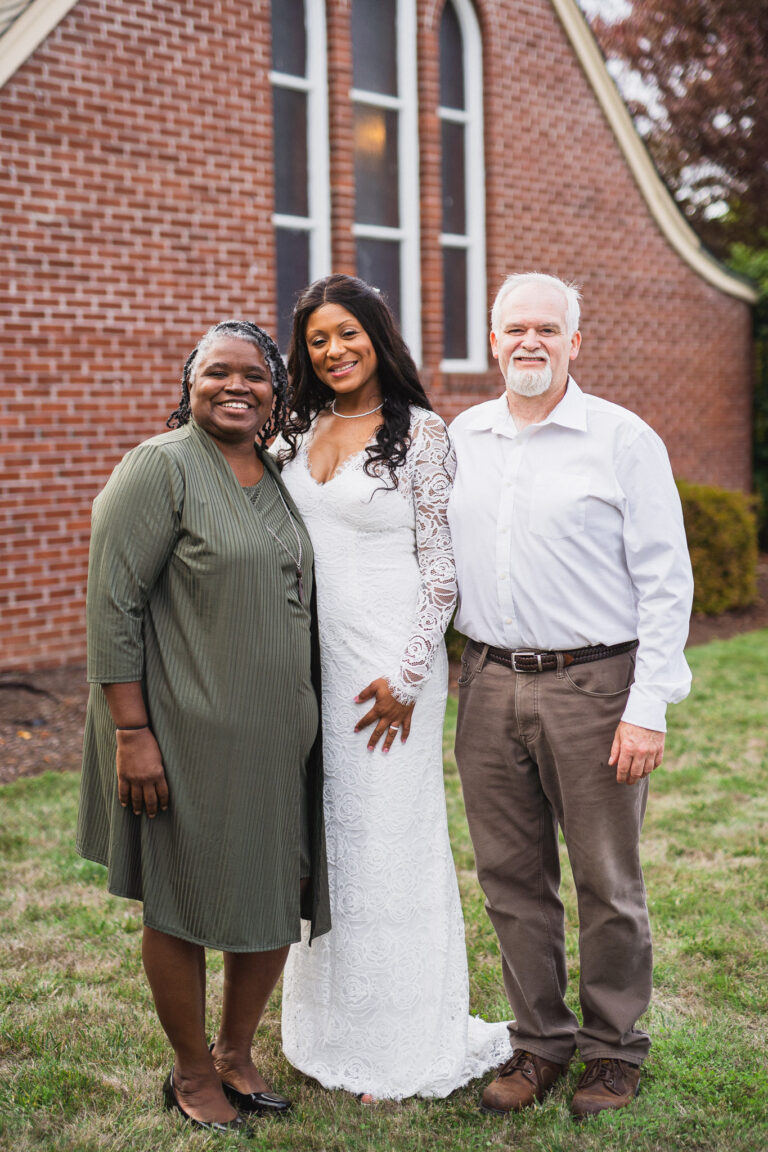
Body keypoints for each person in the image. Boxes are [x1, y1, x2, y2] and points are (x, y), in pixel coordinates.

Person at [448, 273, 694, 1120]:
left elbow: (666, 580)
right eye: (515, 328)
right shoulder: (464, 437)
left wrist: (648, 705)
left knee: (606, 880)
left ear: (574, 343)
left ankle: (614, 1050)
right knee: (510, 879)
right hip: (486, 684)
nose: (531, 341)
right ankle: (540, 1043)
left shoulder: (622, 439)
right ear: (493, 341)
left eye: (548, 329)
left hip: (595, 686)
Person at [76, 320, 330, 1133]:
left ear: (275, 390)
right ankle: (190, 1071)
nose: (236, 387)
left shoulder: (273, 470)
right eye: (217, 371)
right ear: (190, 382)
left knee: (275, 886)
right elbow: (112, 606)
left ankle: (234, 1054)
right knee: (181, 898)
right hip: (183, 728)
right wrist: (132, 733)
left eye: (254, 375)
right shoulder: (161, 467)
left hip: (277, 735)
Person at [274, 274, 508, 1100]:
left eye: (348, 333)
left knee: (386, 843)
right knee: (324, 841)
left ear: (377, 335)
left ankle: (402, 1040)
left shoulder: (422, 434)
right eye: (317, 340)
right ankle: (328, 1028)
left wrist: (408, 677)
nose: (334, 350)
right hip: (311, 665)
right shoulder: (294, 429)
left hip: (388, 670)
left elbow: (441, 573)